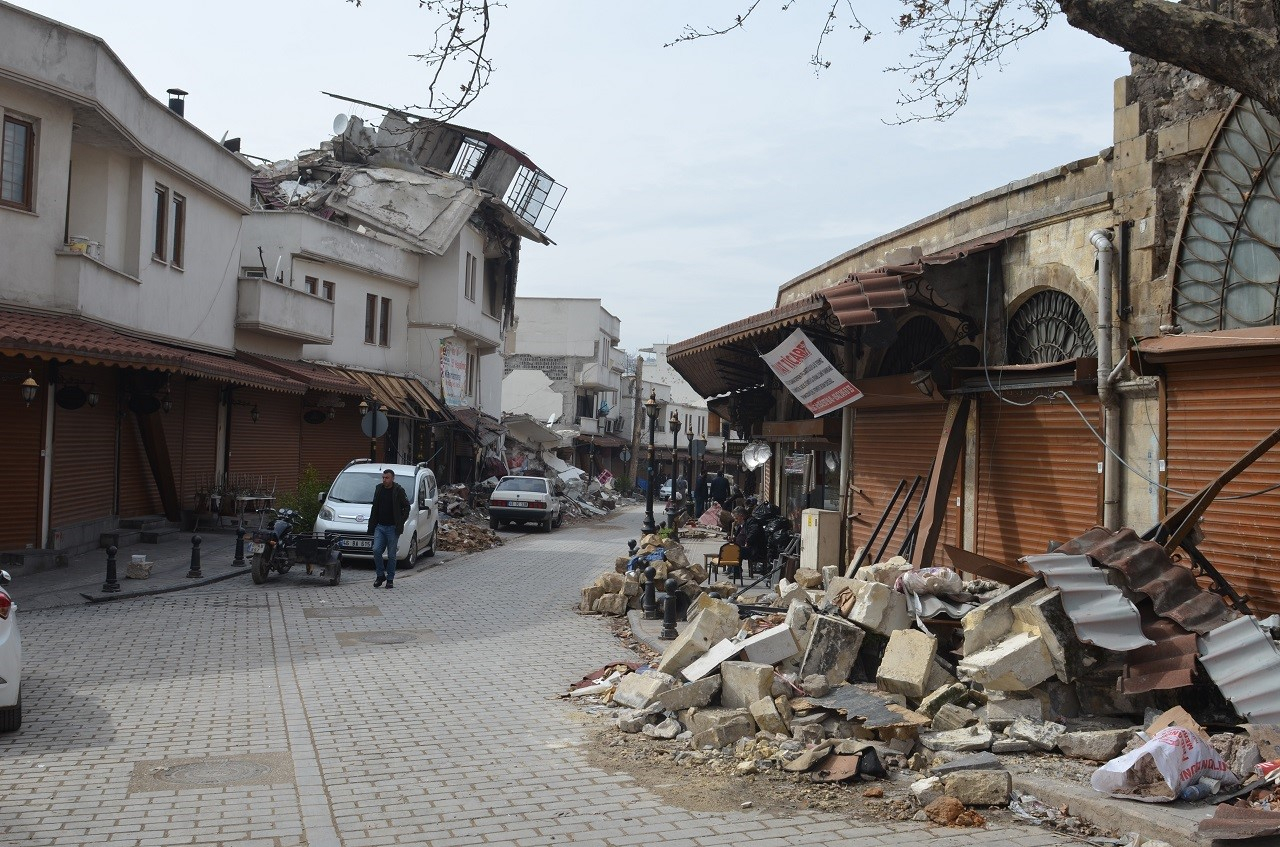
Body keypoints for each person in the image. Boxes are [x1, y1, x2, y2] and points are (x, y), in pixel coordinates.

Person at [368, 468, 410, 589]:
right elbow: (374, 507)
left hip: (392, 528)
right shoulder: (379, 489)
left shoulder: (398, 490)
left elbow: (406, 507)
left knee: (392, 555)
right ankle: (380, 575)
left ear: (392, 478)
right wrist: (372, 524)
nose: (384, 480)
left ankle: (390, 579)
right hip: (380, 526)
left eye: (387, 478)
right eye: (383, 477)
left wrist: (400, 522)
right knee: (376, 550)